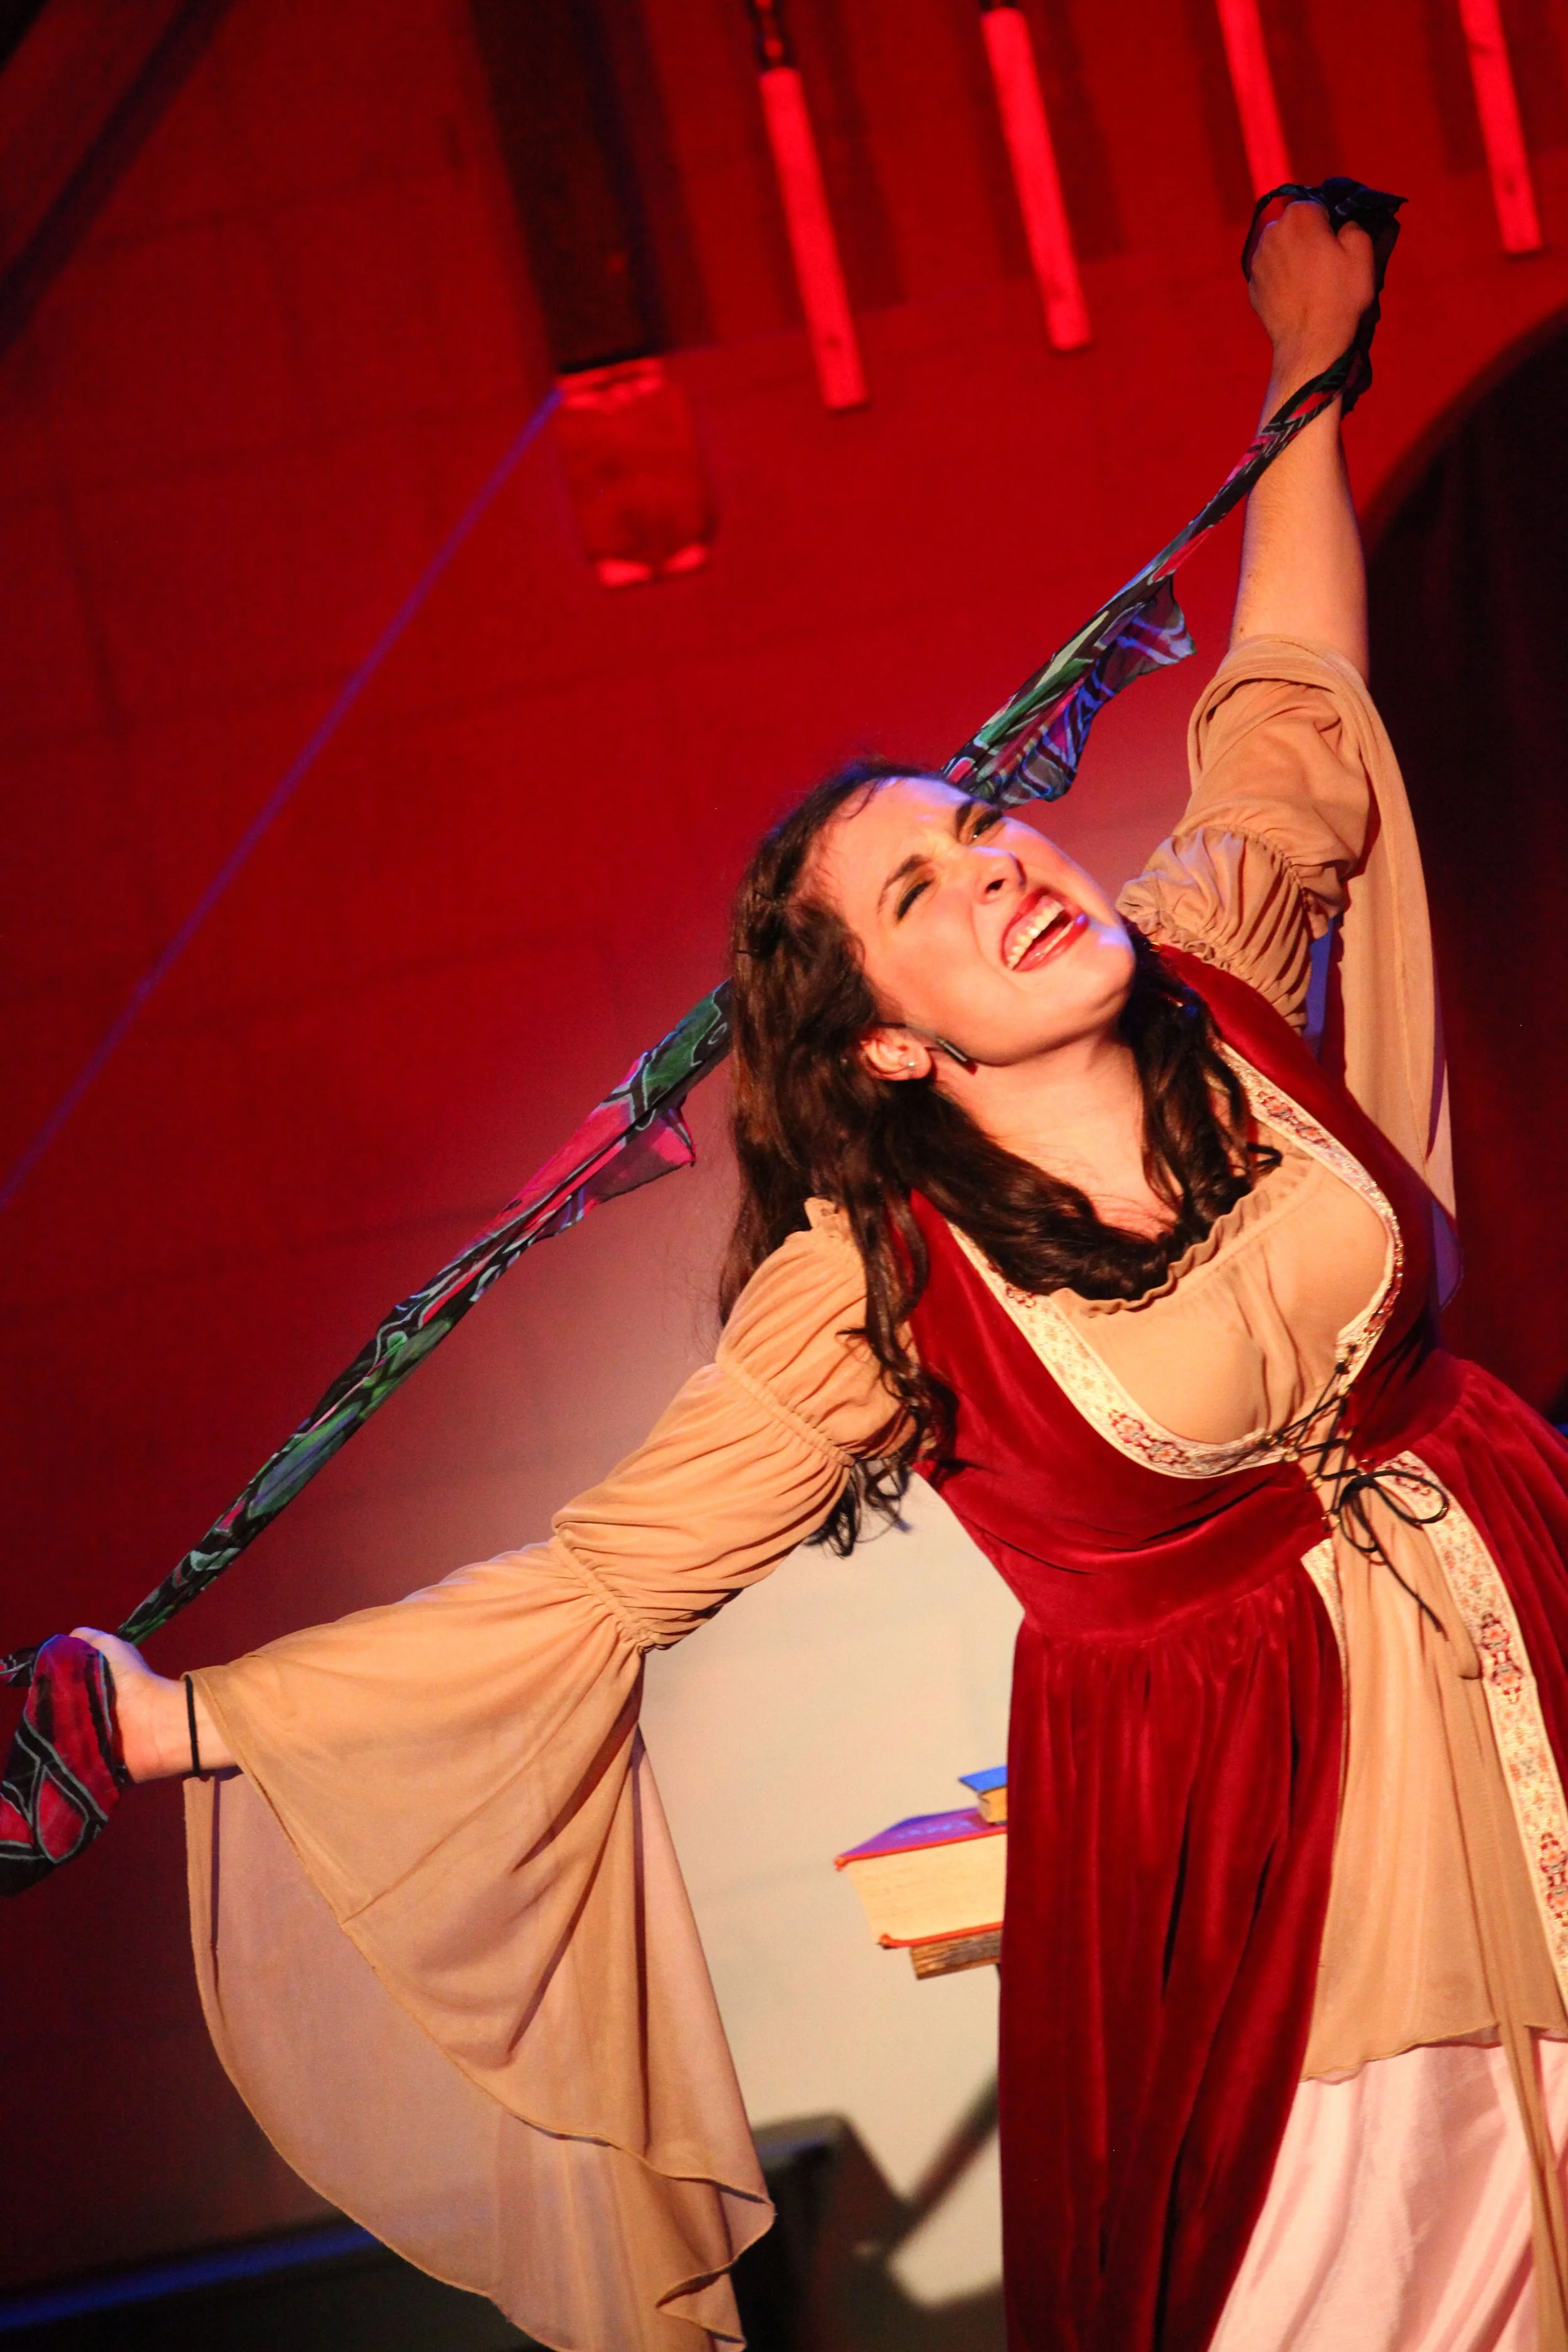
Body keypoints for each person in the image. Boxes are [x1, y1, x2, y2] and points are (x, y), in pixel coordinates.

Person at [80, 201, 1568, 2352]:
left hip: (1532, 1621)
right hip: (1267, 1867)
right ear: (885, 1040)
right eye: (924, 893)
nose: (1003, 874)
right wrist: (172, 1724)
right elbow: (595, 1587)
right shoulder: (879, 1294)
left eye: (989, 831)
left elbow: (1288, 697)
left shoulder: (1222, 968)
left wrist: (1306, 376)